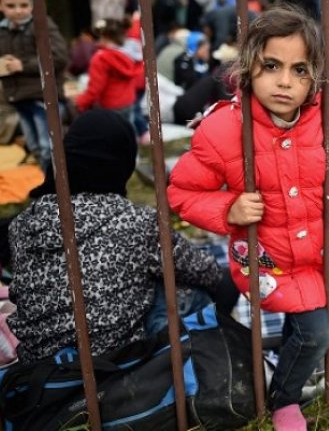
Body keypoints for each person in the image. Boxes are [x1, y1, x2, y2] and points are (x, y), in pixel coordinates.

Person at [167, 5, 329, 431]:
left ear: (316, 76)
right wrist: (228, 211)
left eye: (299, 70)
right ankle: (264, 374)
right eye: (272, 66)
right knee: (298, 323)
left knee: (312, 332)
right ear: (248, 67)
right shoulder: (222, 130)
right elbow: (184, 191)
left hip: (321, 253)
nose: (285, 82)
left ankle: (283, 395)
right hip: (267, 258)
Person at [7, 110, 231, 364]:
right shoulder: (135, 221)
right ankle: (209, 366)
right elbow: (207, 272)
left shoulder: (22, 224)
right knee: (189, 284)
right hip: (113, 366)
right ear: (121, 162)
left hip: (43, 369)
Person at [0, 0, 68, 172]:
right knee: (36, 147)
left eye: (23, 4)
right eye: (11, 6)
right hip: (19, 97)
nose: (18, 10)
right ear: (1, 6)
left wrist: (23, 65)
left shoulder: (41, 25)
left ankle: (60, 191)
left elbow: (59, 57)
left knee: (50, 148)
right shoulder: (2, 32)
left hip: (42, 97)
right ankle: (49, 189)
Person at [74, 18, 143, 125]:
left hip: (109, 106)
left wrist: (80, 103)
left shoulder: (100, 58)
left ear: (103, 36)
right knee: (126, 134)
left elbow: (95, 88)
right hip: (128, 103)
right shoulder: (131, 55)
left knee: (110, 138)